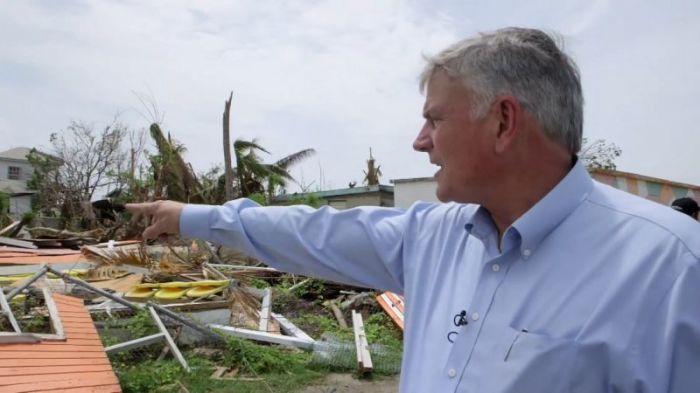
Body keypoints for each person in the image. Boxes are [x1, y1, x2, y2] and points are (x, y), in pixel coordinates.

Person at [127, 27, 700, 392]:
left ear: (503, 122)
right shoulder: (433, 238)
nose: (420, 141)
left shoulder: (670, 268)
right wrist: (189, 216)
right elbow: (309, 231)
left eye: (435, 119)